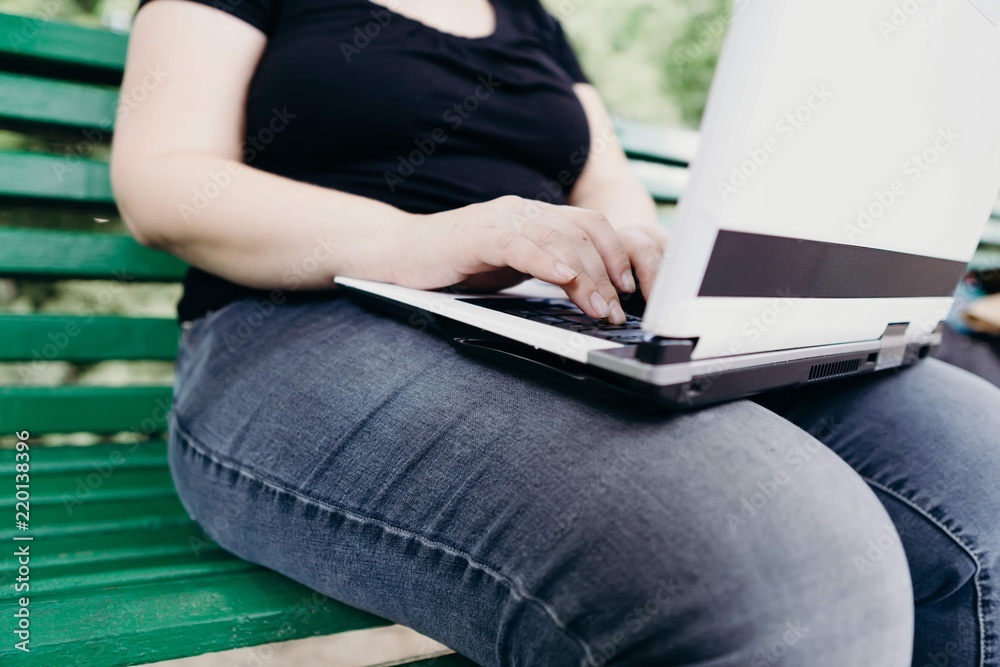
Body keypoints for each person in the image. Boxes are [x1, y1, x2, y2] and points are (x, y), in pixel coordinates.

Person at [110, 0, 1000, 664]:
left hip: (548, 318)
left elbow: (606, 185)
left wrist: (646, 258)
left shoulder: (529, 18)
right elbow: (163, 181)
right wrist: (419, 240)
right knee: (793, 566)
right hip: (298, 328)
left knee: (985, 476)